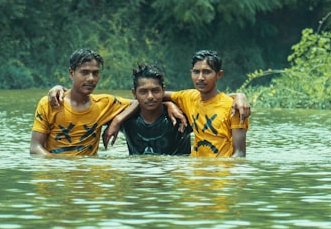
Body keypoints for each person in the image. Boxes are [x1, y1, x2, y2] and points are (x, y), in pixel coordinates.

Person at [105, 50, 248, 158]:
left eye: (207, 72)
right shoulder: (189, 98)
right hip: (195, 176)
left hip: (220, 177)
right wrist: (118, 119)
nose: (201, 78)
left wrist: (240, 96)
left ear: (219, 75)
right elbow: (151, 99)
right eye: (196, 72)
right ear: (191, 73)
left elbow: (239, 155)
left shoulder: (234, 107)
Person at [30, 48, 132, 156]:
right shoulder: (50, 103)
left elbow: (138, 102)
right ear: (71, 73)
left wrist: (117, 120)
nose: (91, 79)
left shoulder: (104, 103)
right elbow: (35, 148)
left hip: (89, 171)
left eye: (95, 73)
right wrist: (59, 166)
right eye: (84, 72)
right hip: (56, 169)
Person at [121, 63, 192, 155]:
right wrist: (117, 120)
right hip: (138, 168)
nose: (150, 97)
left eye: (155, 91)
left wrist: (169, 104)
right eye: (143, 91)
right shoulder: (127, 120)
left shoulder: (181, 119)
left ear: (163, 90)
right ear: (134, 93)